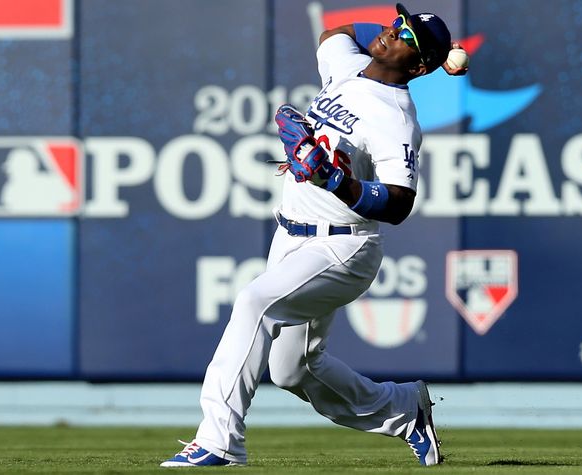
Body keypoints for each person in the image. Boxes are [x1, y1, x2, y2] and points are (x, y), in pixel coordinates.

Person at [161, 3, 466, 468]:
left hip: (342, 247)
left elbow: (399, 203)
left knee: (254, 302)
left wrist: (335, 181)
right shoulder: (347, 66)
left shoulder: (397, 119)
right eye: (396, 24)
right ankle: (405, 409)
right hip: (290, 237)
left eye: (406, 36)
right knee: (292, 370)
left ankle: (219, 441)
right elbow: (334, 33)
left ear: (419, 67)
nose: (392, 32)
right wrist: (419, 42)